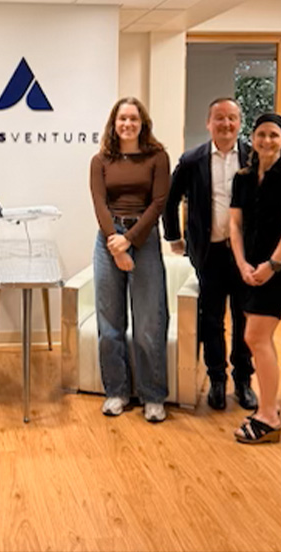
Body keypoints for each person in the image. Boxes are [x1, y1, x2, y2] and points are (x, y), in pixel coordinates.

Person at [163, 97, 256, 411]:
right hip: (210, 253)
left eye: (232, 118)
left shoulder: (254, 158)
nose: (226, 124)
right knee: (211, 319)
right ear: (208, 123)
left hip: (246, 256)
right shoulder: (192, 160)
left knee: (246, 318)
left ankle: (243, 380)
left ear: (239, 122)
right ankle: (217, 378)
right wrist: (174, 237)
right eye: (219, 118)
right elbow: (169, 199)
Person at [90, 96, 171, 423]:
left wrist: (130, 239)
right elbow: (99, 202)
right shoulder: (100, 160)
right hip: (108, 241)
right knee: (110, 325)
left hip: (145, 240)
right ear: (114, 123)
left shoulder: (157, 156)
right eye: (122, 119)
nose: (127, 124)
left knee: (149, 323)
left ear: (142, 124)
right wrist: (117, 245)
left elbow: (159, 202)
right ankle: (116, 392)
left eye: (133, 119)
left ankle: (153, 396)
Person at [229, 113, 281, 444]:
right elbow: (234, 224)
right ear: (254, 138)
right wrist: (243, 264)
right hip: (248, 268)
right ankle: (266, 406)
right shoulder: (243, 178)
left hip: (279, 269)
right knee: (257, 340)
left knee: (256, 338)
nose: (267, 140)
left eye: (274, 135)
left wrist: (270, 265)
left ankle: (270, 416)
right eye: (261, 134)